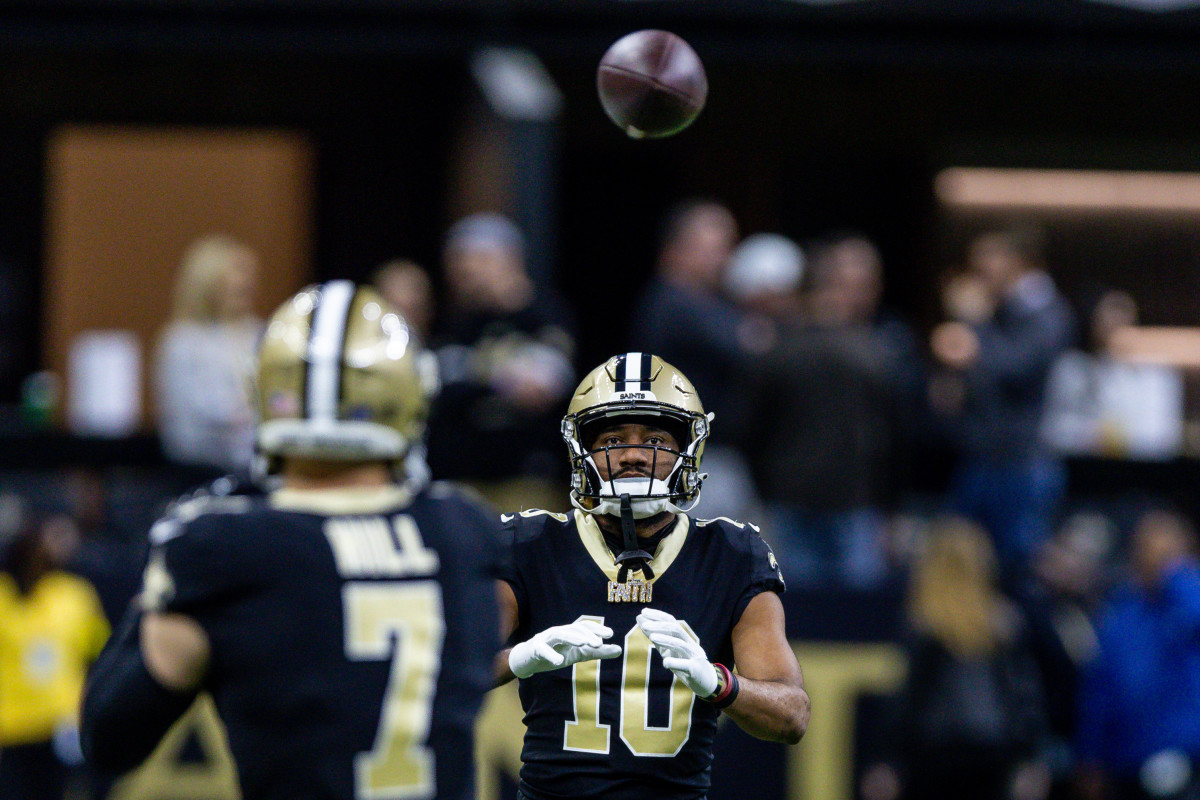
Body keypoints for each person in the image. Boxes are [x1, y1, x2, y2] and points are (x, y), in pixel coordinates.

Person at [81, 281, 501, 800]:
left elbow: (108, 739)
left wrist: (165, 575)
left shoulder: (224, 546)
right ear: (411, 396)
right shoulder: (465, 528)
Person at [494, 352, 809, 800]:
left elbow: (792, 716)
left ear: (688, 450)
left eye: (657, 439)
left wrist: (719, 683)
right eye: (613, 438)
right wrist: (520, 658)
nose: (634, 455)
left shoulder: (732, 554)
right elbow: (455, 666)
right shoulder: (530, 543)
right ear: (581, 449)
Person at [860, 516, 1051, 800]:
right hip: (993, 754)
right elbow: (1024, 698)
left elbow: (908, 701)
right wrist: (1031, 758)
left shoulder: (924, 623)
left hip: (933, 755)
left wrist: (887, 760)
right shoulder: (1004, 623)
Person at [929, 224, 1076, 582]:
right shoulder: (1001, 312)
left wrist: (973, 322)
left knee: (1017, 571)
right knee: (957, 563)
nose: (977, 276)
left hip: (1022, 463)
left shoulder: (1048, 312)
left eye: (986, 265)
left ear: (1018, 263)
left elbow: (1012, 368)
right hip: (983, 457)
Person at [426, 212, 576, 512]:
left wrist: (473, 373)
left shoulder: (544, 315)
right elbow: (436, 388)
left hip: (526, 478)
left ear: (509, 259)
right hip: (462, 479)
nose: (463, 273)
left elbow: (537, 390)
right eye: (457, 264)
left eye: (474, 261)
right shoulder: (458, 322)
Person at [1075, 505, 1200, 800]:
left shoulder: (1187, 600)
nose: (1153, 557)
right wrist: (1089, 757)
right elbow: (1099, 690)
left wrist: (1176, 575)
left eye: (1165, 549)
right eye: (1145, 547)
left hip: (1187, 761)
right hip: (1125, 765)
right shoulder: (1121, 611)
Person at [0, 511, 110, 800]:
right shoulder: (2, 596)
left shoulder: (74, 595)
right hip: (12, 728)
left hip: (61, 727)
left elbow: (97, 655)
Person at [153, 233, 264, 476]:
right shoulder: (183, 340)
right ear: (208, 282)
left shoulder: (261, 333)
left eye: (248, 272)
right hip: (199, 470)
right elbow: (214, 412)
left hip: (254, 467)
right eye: (236, 271)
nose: (245, 281)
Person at [1041, 288, 1183, 461]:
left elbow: (1162, 437)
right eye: (1105, 320)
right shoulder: (1072, 368)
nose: (1113, 327)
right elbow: (1052, 430)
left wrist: (1116, 438)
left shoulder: (1158, 375)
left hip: (1142, 475)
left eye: (1122, 319)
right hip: (1081, 471)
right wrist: (1095, 437)